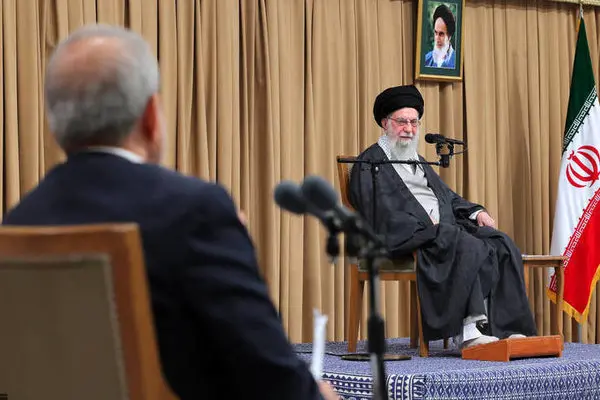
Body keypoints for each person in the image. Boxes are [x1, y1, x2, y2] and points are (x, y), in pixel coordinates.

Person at [1, 24, 338, 400]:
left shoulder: (17, 222)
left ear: (55, 125)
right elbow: (271, 376)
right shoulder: (195, 212)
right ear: (150, 116)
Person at [349, 84, 537, 349]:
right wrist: (426, 226)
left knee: (499, 242)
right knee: (462, 241)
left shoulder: (417, 160)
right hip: (405, 235)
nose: (409, 129)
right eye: (402, 122)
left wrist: (476, 211)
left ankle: (507, 329)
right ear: (385, 123)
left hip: (442, 232)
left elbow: (448, 197)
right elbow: (375, 210)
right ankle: (468, 331)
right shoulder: (369, 164)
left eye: (414, 122)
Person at [424, 4, 456, 69]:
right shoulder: (426, 60)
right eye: (436, 33)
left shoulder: (457, 63)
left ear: (449, 36)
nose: (437, 38)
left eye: (441, 34)